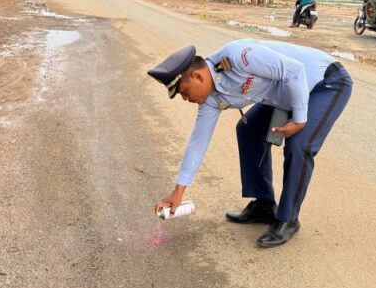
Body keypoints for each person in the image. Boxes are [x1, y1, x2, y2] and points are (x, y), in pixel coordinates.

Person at [149, 39, 352, 248]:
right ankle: (264, 205)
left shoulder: (239, 56)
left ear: (197, 76)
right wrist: (179, 190)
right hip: (285, 94)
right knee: (248, 131)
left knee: (299, 144)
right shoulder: (210, 98)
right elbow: (198, 141)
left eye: (184, 92)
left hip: (325, 83)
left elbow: (295, 70)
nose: (185, 98)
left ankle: (288, 219)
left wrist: (299, 120)